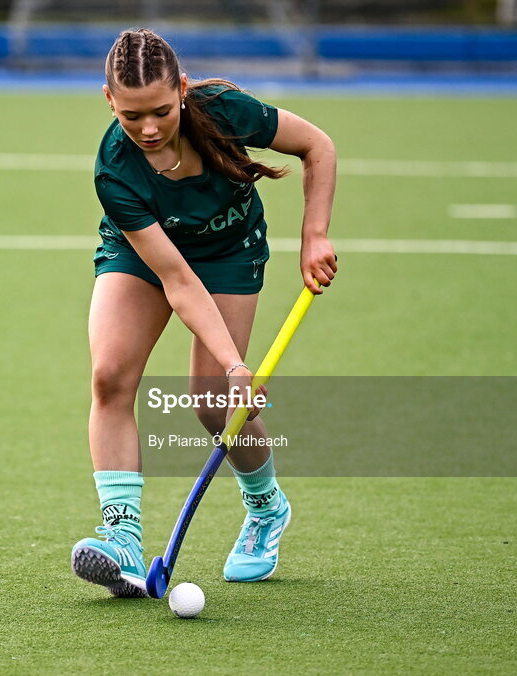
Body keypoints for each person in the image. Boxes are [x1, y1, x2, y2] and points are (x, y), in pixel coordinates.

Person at [71, 28, 337, 597]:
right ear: (109, 101)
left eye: (161, 112)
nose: (147, 128)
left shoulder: (226, 112)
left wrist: (313, 234)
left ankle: (266, 507)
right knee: (110, 375)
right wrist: (238, 364)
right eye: (131, 115)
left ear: (184, 90)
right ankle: (121, 536)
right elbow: (175, 281)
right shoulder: (114, 169)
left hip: (228, 248)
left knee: (214, 402)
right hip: (147, 251)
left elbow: (318, 146)